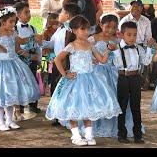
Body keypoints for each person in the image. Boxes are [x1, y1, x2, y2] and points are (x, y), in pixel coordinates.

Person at [45, 15, 121, 146]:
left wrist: (108, 50)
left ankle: (89, 135)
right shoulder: (71, 46)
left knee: (88, 108)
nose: (86, 32)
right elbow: (58, 59)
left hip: (90, 80)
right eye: (83, 29)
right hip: (75, 81)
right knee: (73, 108)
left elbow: (102, 60)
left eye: (87, 29)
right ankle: (75, 135)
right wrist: (64, 74)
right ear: (74, 31)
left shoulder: (90, 45)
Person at [112, 21, 154, 144]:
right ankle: (122, 134)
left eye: (135, 35)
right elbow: (116, 63)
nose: (132, 38)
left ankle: (138, 135)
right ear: (121, 35)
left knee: (136, 107)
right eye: (129, 35)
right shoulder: (116, 48)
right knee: (122, 107)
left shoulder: (138, 48)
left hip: (135, 78)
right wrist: (113, 51)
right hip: (123, 78)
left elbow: (146, 62)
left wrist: (150, 48)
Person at [42, 3, 81, 126]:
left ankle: (67, 116)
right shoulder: (60, 29)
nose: (59, 15)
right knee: (56, 88)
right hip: (57, 63)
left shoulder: (73, 31)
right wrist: (41, 42)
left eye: (61, 12)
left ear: (67, 15)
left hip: (67, 64)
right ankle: (57, 115)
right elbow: (52, 44)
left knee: (67, 90)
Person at [13, 1, 42, 120]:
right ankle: (18, 106)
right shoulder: (14, 29)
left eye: (29, 12)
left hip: (32, 58)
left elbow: (37, 44)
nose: (29, 14)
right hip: (20, 58)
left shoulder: (33, 29)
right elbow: (16, 44)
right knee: (20, 82)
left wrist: (38, 57)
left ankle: (33, 103)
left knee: (32, 80)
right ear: (18, 15)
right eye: (26, 12)